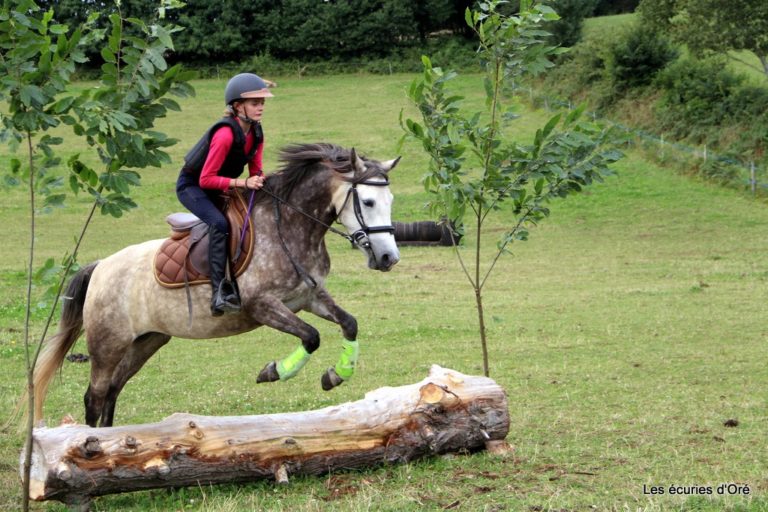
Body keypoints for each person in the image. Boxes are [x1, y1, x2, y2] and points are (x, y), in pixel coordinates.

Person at [176, 73, 273, 316]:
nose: (260, 107)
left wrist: (260, 180)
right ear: (238, 106)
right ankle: (219, 292)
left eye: (262, 102)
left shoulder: (256, 132)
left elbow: (256, 170)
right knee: (220, 224)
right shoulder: (225, 134)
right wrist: (243, 182)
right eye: (255, 103)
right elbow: (205, 179)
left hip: (222, 186)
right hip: (193, 188)